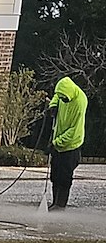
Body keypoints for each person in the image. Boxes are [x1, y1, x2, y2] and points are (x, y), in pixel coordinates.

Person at [46, 76, 87, 210]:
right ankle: (54, 202)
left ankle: (60, 205)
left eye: (64, 98)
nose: (63, 99)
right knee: (55, 175)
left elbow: (74, 130)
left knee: (64, 176)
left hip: (71, 146)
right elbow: (57, 96)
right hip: (58, 142)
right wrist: (53, 105)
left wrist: (56, 142)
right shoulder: (63, 94)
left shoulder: (80, 102)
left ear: (69, 94)